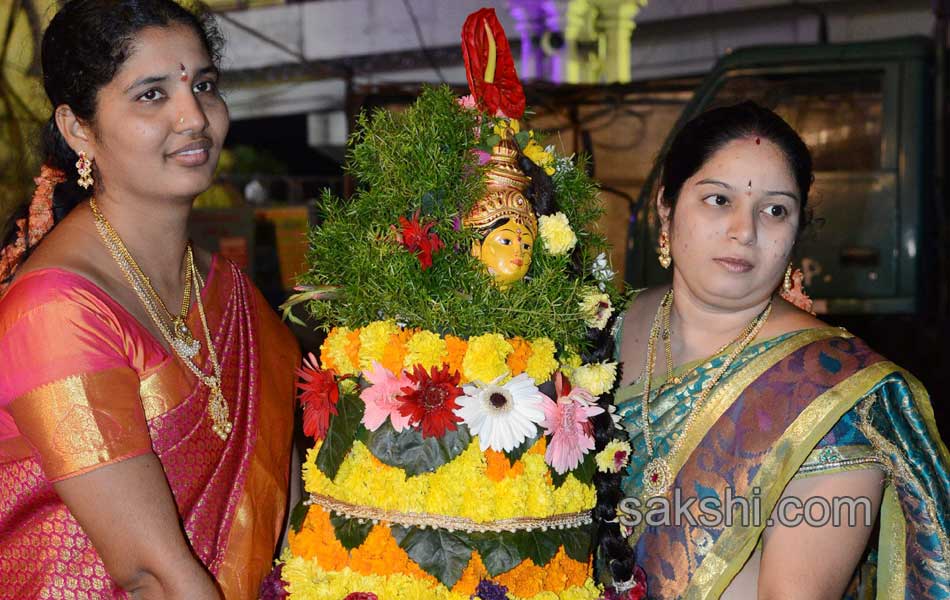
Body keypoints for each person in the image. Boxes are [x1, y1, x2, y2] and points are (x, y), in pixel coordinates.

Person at [0, 1, 300, 597]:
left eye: (204, 85)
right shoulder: (57, 313)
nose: (195, 116)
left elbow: (289, 518)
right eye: (152, 94)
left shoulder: (234, 297)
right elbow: (151, 576)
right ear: (77, 128)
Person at [610, 102, 950, 598]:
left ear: (797, 232)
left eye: (775, 210)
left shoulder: (828, 390)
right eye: (718, 200)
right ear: (666, 206)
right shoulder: (601, 329)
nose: (745, 232)